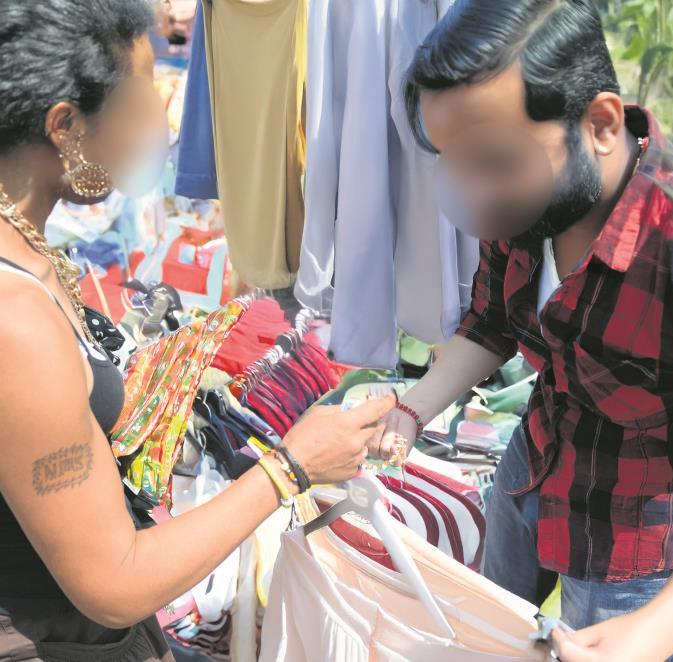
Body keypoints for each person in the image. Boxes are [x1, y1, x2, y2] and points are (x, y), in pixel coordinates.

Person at [0, 1, 393, 659]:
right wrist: (290, 467)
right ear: (65, 126)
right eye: (137, 104)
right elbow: (113, 583)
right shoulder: (14, 317)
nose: (156, 126)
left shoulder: (31, 253)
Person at [377, 0, 673, 659]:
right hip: (534, 466)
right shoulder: (521, 205)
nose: (473, 191)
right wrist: (411, 410)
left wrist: (656, 629)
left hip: (633, 537)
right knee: (491, 635)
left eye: (493, 160)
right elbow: (491, 323)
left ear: (600, 124)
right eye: (453, 161)